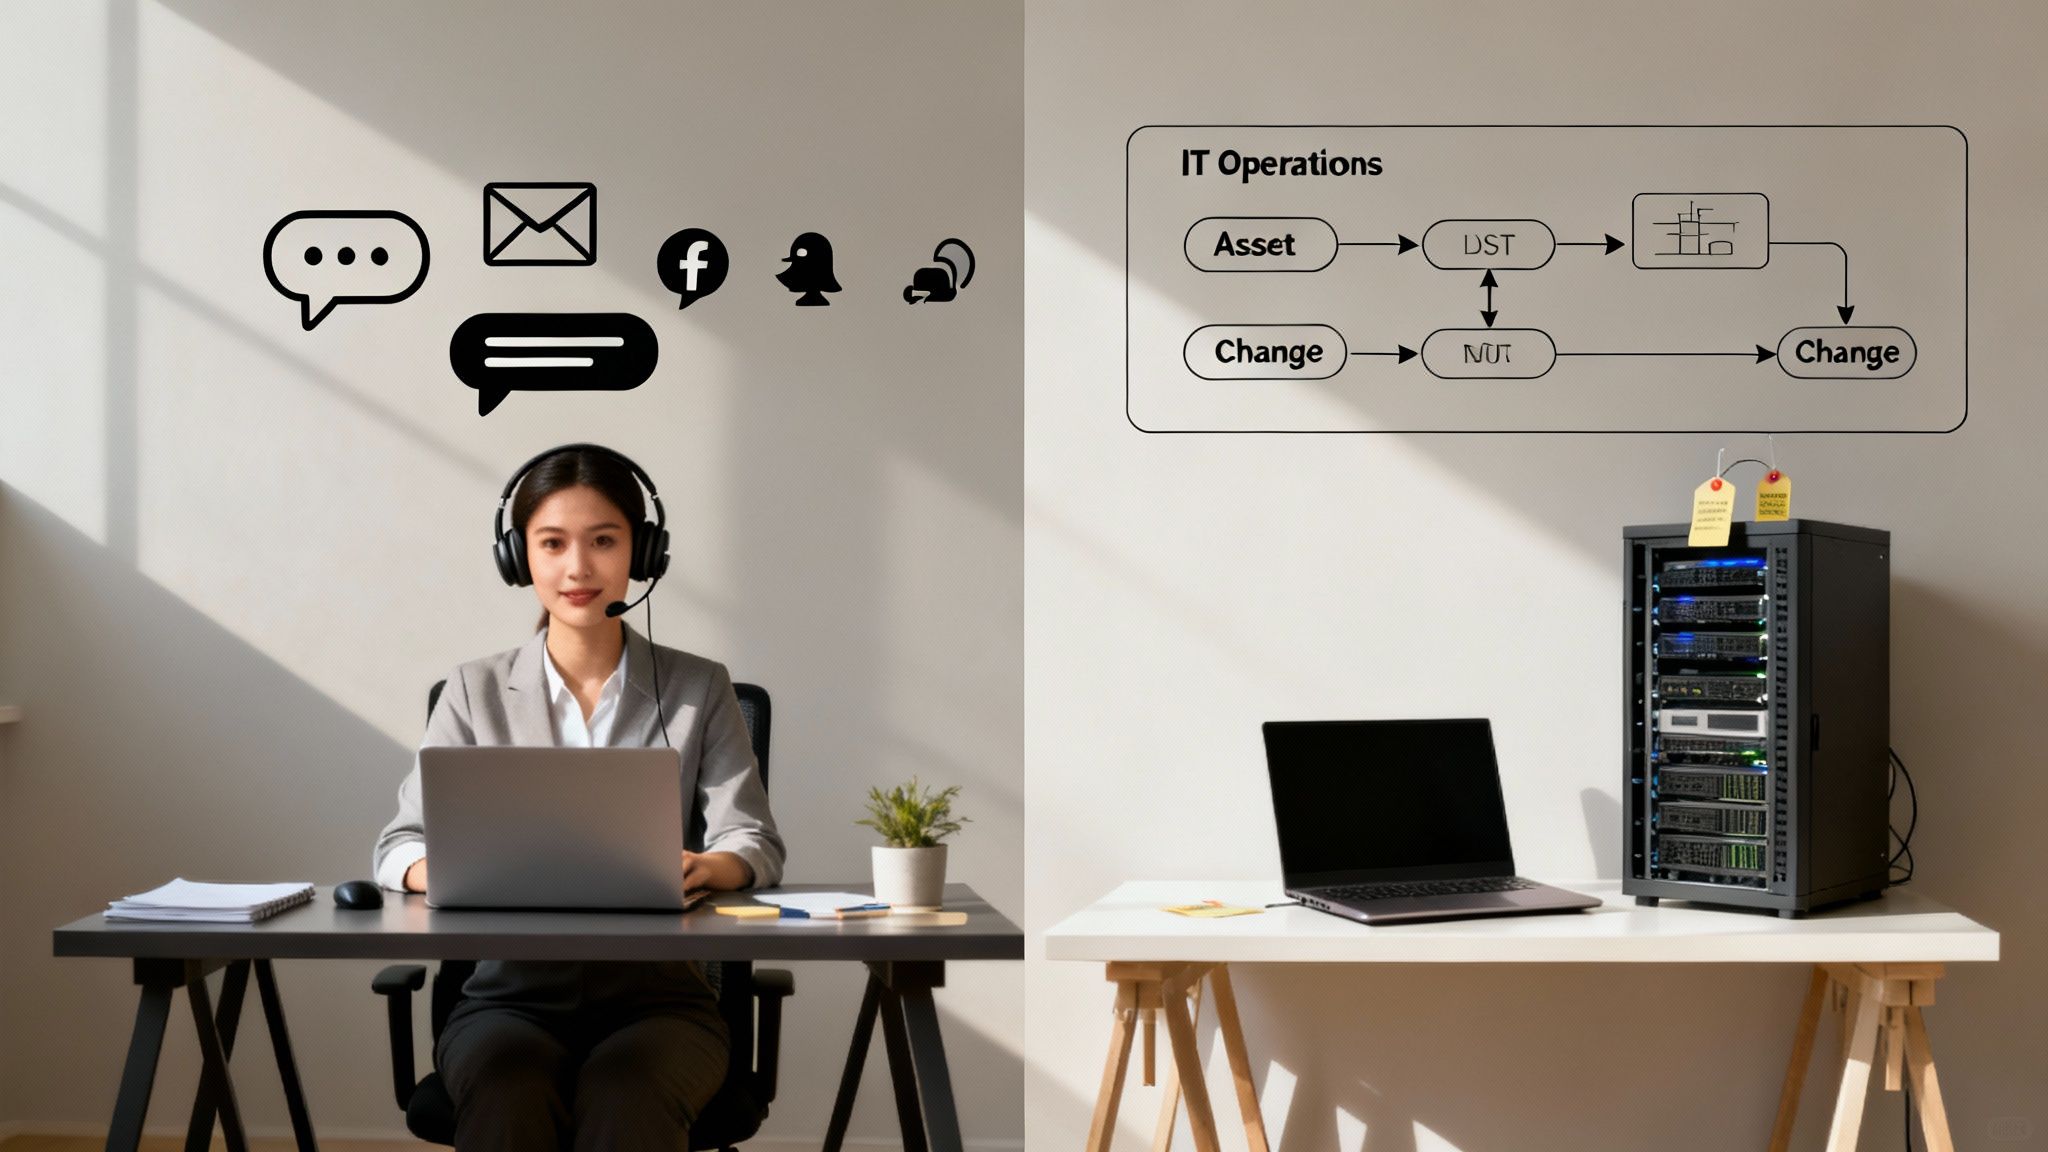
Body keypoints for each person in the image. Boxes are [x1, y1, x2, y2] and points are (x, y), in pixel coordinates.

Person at [373, 443, 784, 1152]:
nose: (578, 568)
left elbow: (754, 841)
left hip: (661, 1005)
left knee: (629, 1094)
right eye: (552, 543)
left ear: (642, 552)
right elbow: (399, 843)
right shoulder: (473, 691)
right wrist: (437, 871)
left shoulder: (699, 687)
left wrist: (707, 868)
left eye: (603, 541)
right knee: (506, 1091)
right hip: (507, 1001)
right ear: (518, 556)